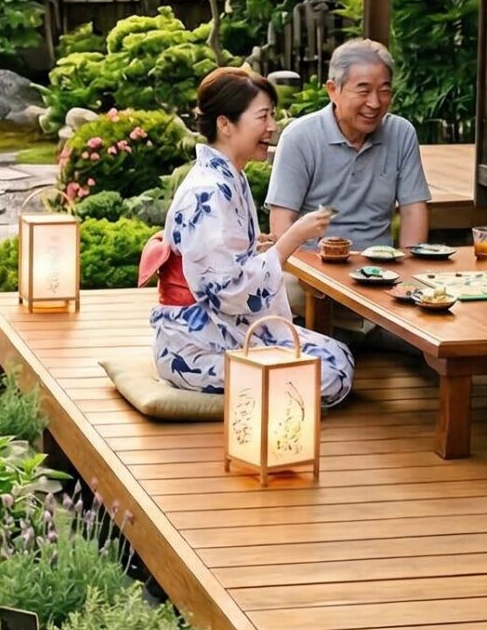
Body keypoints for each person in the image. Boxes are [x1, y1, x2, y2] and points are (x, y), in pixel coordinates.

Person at [147, 67, 355, 405]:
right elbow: (227, 292)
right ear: (225, 124)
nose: (272, 127)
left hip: (218, 326)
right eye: (262, 116)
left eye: (272, 115)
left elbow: (224, 259)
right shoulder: (209, 190)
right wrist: (293, 238)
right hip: (196, 341)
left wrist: (255, 247)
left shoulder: (229, 176)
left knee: (337, 355)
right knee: (331, 370)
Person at [266, 39, 431, 250]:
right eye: (363, 91)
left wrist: (410, 272)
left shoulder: (401, 133)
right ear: (333, 90)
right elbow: (281, 223)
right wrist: (311, 272)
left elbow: (412, 211)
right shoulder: (299, 137)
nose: (374, 103)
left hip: (381, 270)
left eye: (384, 91)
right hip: (313, 268)